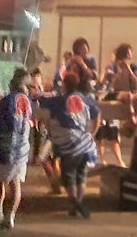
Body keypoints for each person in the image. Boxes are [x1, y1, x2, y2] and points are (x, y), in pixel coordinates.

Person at [38, 68, 100, 219]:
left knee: (68, 176)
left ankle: (77, 204)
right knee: (81, 176)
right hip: (85, 143)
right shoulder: (85, 99)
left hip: (69, 144)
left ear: (65, 85)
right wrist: (93, 132)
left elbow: (42, 104)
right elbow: (97, 114)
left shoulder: (59, 101)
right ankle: (76, 205)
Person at [0, 68, 34, 229]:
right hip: (22, 147)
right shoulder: (27, 102)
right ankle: (10, 217)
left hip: (5, 146)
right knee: (15, 183)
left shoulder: (7, 101)